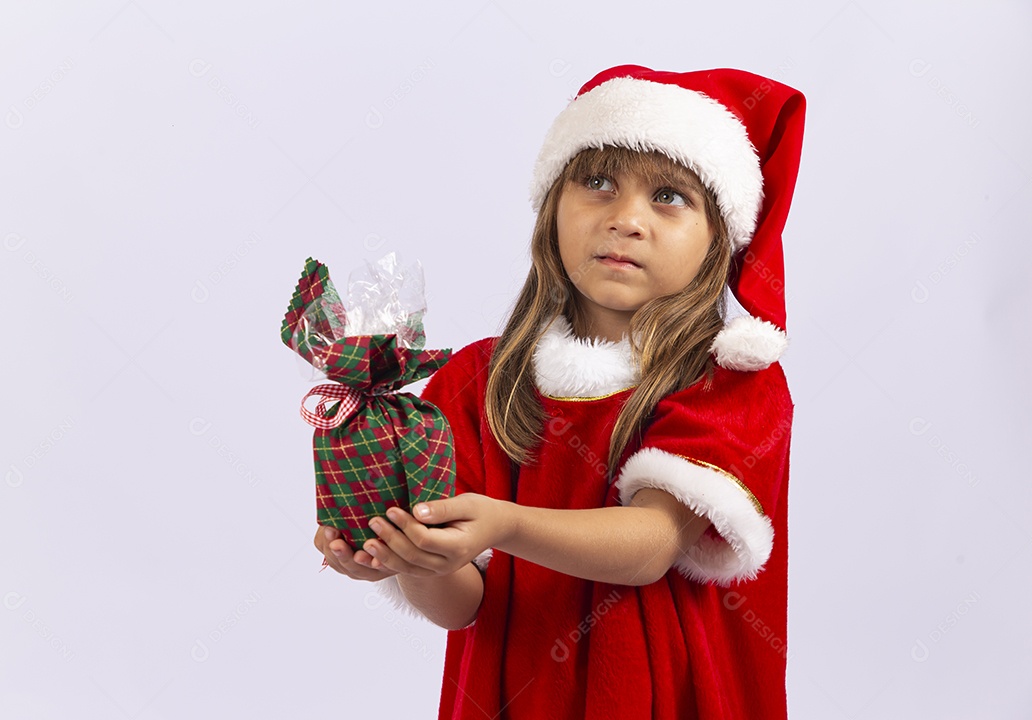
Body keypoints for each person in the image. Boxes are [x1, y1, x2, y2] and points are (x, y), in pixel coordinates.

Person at [314, 65, 806, 719]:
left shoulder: (729, 383)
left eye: (670, 196)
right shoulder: (480, 382)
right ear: (552, 209)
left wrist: (507, 522)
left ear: (720, 240)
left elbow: (652, 545)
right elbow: (463, 604)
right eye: (597, 182)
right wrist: (413, 554)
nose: (627, 219)